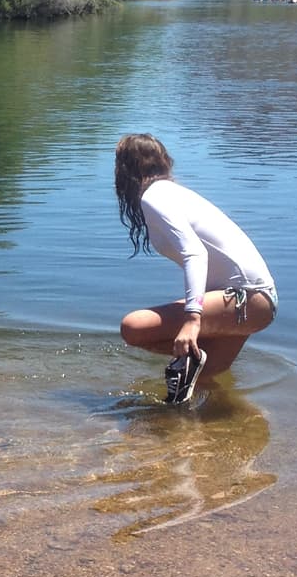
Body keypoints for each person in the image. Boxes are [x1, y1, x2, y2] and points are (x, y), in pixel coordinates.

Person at [114, 134, 277, 401]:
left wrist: (192, 319)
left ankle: (193, 354)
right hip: (252, 302)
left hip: (244, 298)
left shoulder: (155, 196)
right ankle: (236, 425)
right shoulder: (172, 194)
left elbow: (194, 253)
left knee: (132, 327)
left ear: (125, 170)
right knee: (205, 385)